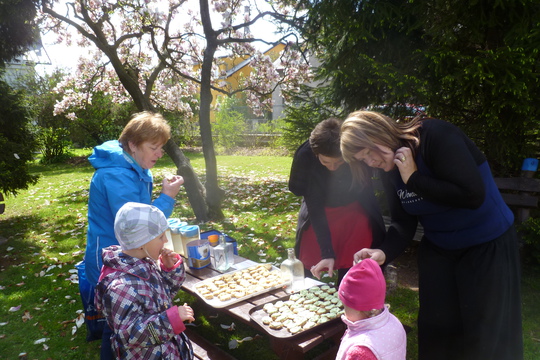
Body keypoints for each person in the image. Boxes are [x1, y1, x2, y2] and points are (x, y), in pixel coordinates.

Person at [340, 110, 523, 360]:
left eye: (369, 152)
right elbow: (403, 221)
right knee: (436, 328)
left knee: (486, 333)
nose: (370, 162)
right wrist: (382, 252)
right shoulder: (388, 168)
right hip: (440, 247)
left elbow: (471, 195)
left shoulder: (435, 136)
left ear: (378, 133)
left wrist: (414, 179)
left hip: (486, 244)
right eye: (363, 159)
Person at [83, 111, 184, 358]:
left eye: (161, 147)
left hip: (131, 254)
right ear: (132, 145)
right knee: (116, 325)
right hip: (114, 258)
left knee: (132, 315)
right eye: (154, 147)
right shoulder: (117, 175)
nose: (159, 154)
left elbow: (144, 220)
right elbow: (140, 226)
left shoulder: (134, 166)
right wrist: (167, 197)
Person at [288, 117, 385, 285]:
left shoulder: (354, 151)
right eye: (325, 162)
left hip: (354, 209)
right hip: (319, 210)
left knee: (354, 259)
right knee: (307, 258)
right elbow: (314, 206)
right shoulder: (306, 156)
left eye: (339, 162)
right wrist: (327, 252)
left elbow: (367, 187)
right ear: (316, 154)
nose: (332, 167)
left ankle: (349, 294)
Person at [95, 202, 194, 360]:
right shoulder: (121, 288)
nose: (165, 241)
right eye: (161, 237)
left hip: (166, 350)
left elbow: (162, 297)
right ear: (142, 242)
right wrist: (172, 319)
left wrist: (170, 271)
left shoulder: (142, 264)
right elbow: (131, 336)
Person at [337, 258, 406, 360]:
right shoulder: (394, 321)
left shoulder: (361, 351)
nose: (344, 311)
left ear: (359, 309)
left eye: (345, 306)